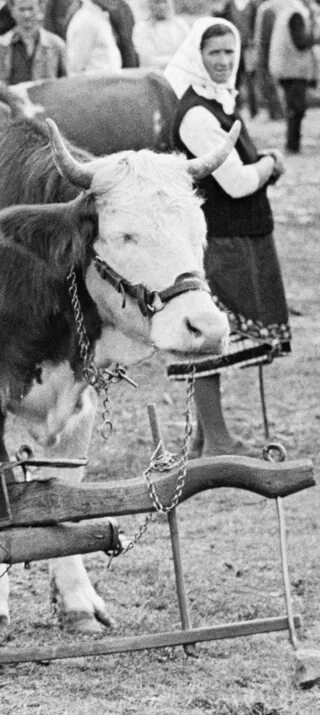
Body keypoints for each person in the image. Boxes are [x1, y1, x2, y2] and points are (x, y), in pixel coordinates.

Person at [164, 18, 291, 457]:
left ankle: (205, 436)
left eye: (229, 53)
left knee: (221, 339)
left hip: (239, 234)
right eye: (214, 53)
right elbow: (235, 182)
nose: (223, 61)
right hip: (219, 239)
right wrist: (269, 165)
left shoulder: (221, 103)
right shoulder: (197, 113)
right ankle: (218, 440)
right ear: (196, 57)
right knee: (209, 339)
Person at [267, 0, 320, 153]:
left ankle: (292, 145)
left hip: (286, 68)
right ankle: (292, 146)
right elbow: (301, 42)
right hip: (292, 69)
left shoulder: (288, 11)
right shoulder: (296, 14)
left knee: (294, 108)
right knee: (296, 109)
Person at [0, 0, 67, 82]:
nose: (26, 15)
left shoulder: (56, 46)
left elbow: (68, 83)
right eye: (21, 9)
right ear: (12, 11)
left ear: (40, 9)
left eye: (31, 9)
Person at [220, 0, 263, 116]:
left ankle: (254, 111)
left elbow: (256, 27)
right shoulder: (229, 5)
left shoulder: (252, 6)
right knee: (234, 79)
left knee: (250, 80)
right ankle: (235, 109)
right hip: (233, 48)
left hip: (248, 48)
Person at [65, 0, 123, 73]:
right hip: (94, 83)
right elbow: (75, 67)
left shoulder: (98, 17)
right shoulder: (86, 20)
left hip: (108, 82)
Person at [133, 0, 189, 70]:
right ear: (150, 4)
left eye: (164, 2)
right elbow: (148, 59)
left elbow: (189, 53)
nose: (162, 6)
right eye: (157, 2)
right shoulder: (141, 28)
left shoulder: (181, 25)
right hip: (153, 75)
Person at [255, 0, 288, 118]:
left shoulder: (267, 9)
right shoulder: (282, 6)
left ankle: (277, 112)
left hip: (268, 52)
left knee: (269, 82)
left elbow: (263, 37)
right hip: (276, 52)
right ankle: (278, 112)